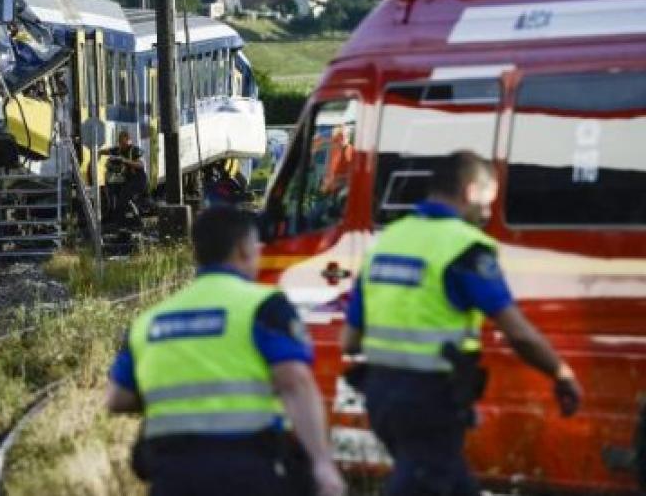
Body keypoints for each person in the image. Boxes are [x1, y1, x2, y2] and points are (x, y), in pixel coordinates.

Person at [341, 150, 583, 496]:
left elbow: (350, 341)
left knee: (449, 482)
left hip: (381, 394)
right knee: (424, 481)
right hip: (432, 399)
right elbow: (518, 333)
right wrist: (560, 373)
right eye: (488, 201)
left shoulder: (386, 242)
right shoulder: (465, 248)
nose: (488, 213)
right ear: (471, 191)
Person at [107, 206, 346, 496]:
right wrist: (322, 463)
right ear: (244, 250)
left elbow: (118, 398)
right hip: (247, 471)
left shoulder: (149, 320)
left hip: (172, 475)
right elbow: (295, 381)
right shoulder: (263, 306)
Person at [99, 130, 147, 224]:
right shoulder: (118, 149)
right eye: (120, 142)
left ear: (128, 141)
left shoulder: (134, 150)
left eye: (124, 142)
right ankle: (115, 216)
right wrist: (99, 153)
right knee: (114, 191)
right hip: (128, 180)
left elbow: (140, 165)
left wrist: (125, 161)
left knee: (124, 197)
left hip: (138, 180)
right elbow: (106, 151)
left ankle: (134, 220)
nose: (122, 145)